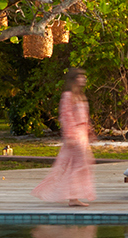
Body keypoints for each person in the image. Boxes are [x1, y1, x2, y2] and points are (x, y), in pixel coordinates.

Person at [34, 67, 95, 207]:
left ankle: (74, 196)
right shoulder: (68, 96)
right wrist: (69, 136)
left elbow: (84, 117)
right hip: (74, 136)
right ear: (74, 79)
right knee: (77, 166)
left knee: (82, 165)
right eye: (80, 77)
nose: (83, 79)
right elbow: (66, 116)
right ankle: (73, 197)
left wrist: (89, 131)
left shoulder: (80, 96)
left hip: (82, 134)